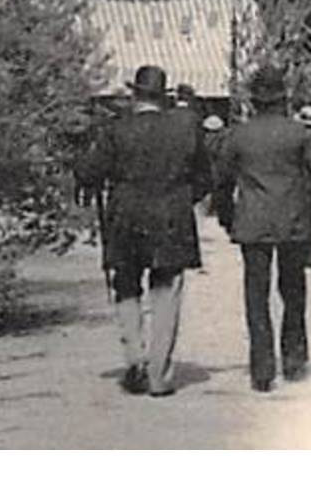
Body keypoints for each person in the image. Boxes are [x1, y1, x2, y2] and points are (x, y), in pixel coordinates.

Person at [76, 65, 211, 397]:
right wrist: (180, 197)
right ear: (163, 97)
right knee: (167, 292)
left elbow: (90, 172)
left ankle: (135, 357)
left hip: (125, 216)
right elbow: (205, 178)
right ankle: (158, 373)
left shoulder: (115, 130)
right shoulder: (185, 129)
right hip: (171, 217)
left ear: (134, 94)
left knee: (126, 286)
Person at [215, 71, 311, 391]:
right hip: (294, 223)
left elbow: (221, 182)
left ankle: (262, 368)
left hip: (252, 223)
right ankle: (293, 359)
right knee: (293, 290)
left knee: (255, 294)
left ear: (252, 100)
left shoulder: (237, 136)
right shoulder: (302, 136)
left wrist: (227, 217)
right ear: (284, 99)